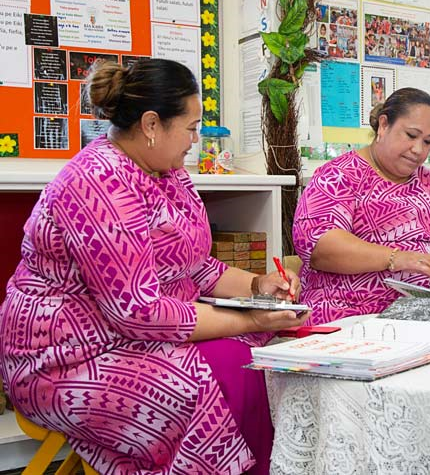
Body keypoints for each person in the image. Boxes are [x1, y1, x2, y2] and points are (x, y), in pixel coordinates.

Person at [0, 59, 306, 474]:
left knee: (260, 357)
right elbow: (140, 311)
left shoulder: (168, 174)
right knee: (217, 376)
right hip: (63, 359)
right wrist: (252, 320)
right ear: (150, 125)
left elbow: (193, 267)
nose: (195, 141)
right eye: (191, 127)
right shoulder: (97, 184)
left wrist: (257, 284)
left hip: (129, 339)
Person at [294, 87, 430, 324]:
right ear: (384, 125)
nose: (418, 150)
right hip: (349, 315)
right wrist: (397, 258)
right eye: (411, 136)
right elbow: (320, 248)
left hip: (428, 315)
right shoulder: (338, 176)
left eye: (427, 142)